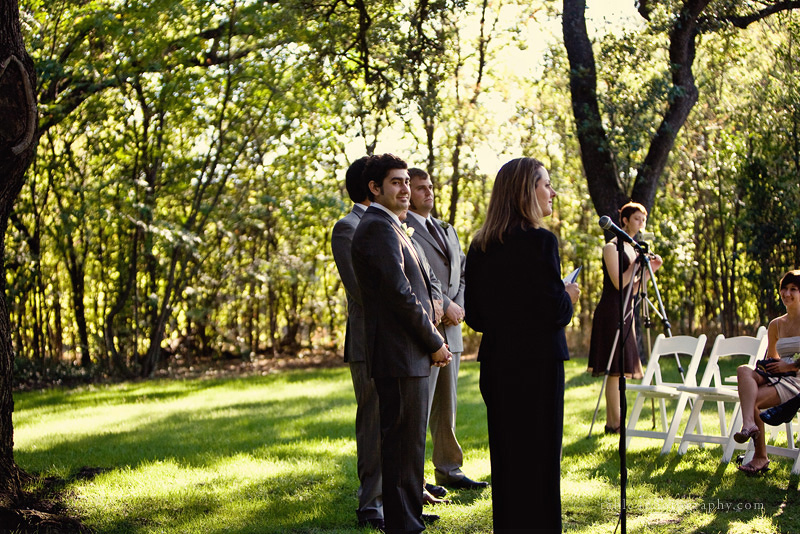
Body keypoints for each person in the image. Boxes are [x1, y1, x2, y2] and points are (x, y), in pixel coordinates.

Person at [464, 157, 579, 532]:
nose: (552, 191)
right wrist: (569, 294)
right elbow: (557, 312)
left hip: (498, 367)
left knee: (508, 462)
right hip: (539, 368)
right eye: (546, 183)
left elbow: (475, 317)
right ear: (525, 191)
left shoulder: (480, 246)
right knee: (542, 463)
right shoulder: (541, 242)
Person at [352, 153, 453, 534]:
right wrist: (433, 341)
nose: (405, 189)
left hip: (408, 352)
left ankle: (408, 515)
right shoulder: (377, 227)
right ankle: (403, 525)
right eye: (396, 182)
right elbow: (399, 294)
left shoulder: (393, 225)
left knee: (410, 446)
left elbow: (419, 285)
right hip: (399, 352)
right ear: (374, 188)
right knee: (400, 446)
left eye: (406, 182)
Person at [405, 168, 488, 493]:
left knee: (447, 406)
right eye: (421, 188)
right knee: (420, 409)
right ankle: (416, 479)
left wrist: (458, 304)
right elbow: (413, 278)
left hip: (452, 329)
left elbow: (463, 272)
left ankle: (449, 469)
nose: (428, 192)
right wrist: (443, 303)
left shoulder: (447, 229)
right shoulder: (403, 228)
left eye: (430, 187)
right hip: (424, 330)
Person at [330, 156, 384, 529]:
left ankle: (401, 499)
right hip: (370, 342)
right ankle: (371, 505)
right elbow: (364, 291)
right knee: (374, 423)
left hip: (403, 342)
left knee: (398, 425)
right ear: (371, 185)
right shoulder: (347, 228)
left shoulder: (393, 224)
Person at [586, 201, 662, 433]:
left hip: (628, 310)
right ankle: (614, 423)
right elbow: (620, 282)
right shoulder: (612, 247)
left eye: (643, 219)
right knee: (614, 369)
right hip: (611, 311)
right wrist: (638, 264)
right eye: (637, 219)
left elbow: (634, 288)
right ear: (625, 220)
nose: (641, 223)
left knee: (621, 368)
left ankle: (614, 422)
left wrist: (649, 270)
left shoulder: (634, 247)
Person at [734, 270, 800, 475]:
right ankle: (748, 424)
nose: (787, 293)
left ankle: (760, 456)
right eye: (784, 288)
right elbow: (773, 357)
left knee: (752, 400)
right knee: (743, 370)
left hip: (796, 380)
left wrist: (790, 367)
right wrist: (771, 365)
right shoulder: (776, 324)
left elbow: (786, 365)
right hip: (778, 375)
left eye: (794, 289)